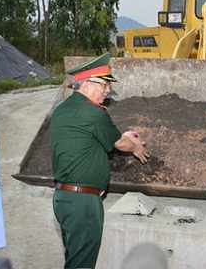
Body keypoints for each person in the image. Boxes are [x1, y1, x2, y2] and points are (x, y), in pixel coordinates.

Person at [51, 52, 150, 269]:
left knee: (75, 257)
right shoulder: (94, 113)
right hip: (83, 202)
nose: (108, 91)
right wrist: (136, 146)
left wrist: (121, 136)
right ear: (86, 84)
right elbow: (120, 144)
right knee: (82, 264)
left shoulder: (62, 110)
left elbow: (88, 137)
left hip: (62, 198)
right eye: (104, 85)